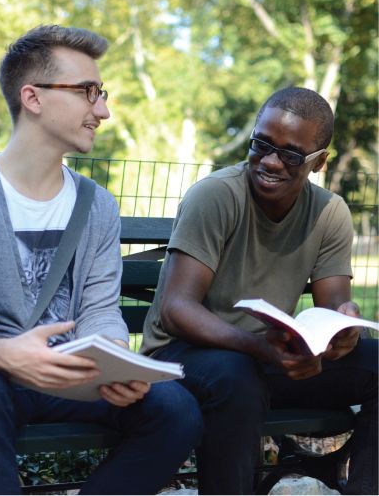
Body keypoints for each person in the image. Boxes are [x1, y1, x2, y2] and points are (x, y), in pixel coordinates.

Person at [0, 26, 201, 495]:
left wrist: (119, 364)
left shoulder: (97, 205)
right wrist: (2, 354)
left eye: (101, 94)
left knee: (175, 408)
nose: (102, 110)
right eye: (87, 92)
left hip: (76, 379)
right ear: (33, 98)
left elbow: (100, 310)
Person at [142, 87, 376, 495]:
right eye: (261, 144)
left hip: (265, 357)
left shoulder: (329, 212)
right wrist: (260, 348)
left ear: (319, 162)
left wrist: (343, 330)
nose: (270, 161)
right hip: (181, 356)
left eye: (290, 153)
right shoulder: (216, 195)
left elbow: (335, 305)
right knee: (238, 378)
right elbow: (176, 309)